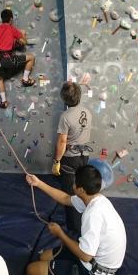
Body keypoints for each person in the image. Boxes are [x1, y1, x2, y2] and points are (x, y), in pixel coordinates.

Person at [26, 165, 127, 275]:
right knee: (43, 257)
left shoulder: (92, 214)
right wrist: (38, 183)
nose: (72, 185)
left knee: (31, 272)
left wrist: (60, 234)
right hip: (96, 259)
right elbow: (65, 199)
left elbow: (85, 256)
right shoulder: (96, 198)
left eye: (75, 182)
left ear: (80, 189)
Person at [52, 81, 92, 232]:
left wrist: (56, 161)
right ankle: (84, 220)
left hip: (70, 158)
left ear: (64, 98)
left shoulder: (66, 116)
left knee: (70, 194)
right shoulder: (87, 112)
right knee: (82, 190)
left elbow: (62, 141)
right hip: (84, 156)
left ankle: (73, 229)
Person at [0, 9, 35, 108]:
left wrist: (12, 41)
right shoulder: (12, 29)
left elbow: (2, 40)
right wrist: (22, 35)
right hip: (6, 56)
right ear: (11, 19)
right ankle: (25, 79)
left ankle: (4, 102)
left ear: (2, 18)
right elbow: (24, 42)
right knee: (31, 58)